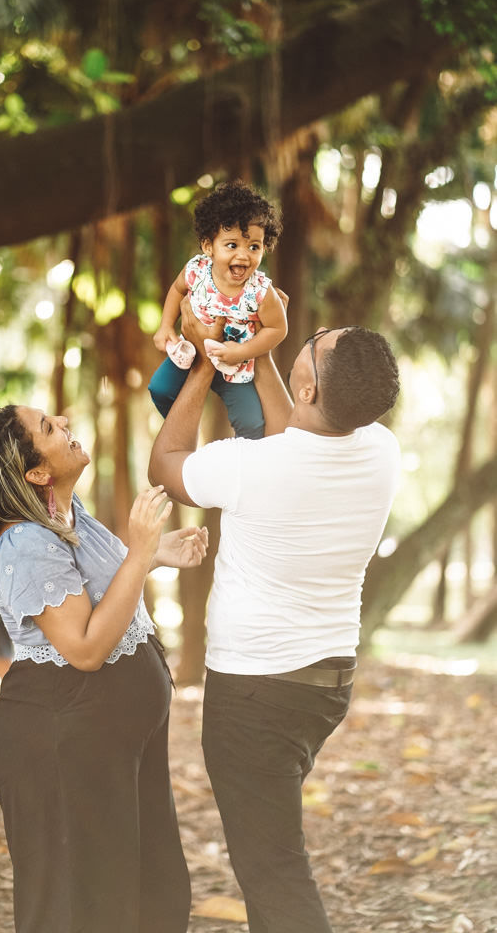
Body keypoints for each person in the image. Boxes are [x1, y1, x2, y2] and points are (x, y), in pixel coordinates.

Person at [148, 298, 401, 933]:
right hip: (325, 686)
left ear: (308, 382)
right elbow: (298, 435)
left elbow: (166, 466)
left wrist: (207, 364)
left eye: (311, 343)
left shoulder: (250, 468)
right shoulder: (380, 451)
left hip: (257, 698)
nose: (305, 338)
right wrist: (257, 353)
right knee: (271, 863)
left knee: (275, 872)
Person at [0, 403, 208, 933]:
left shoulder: (67, 515)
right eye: (49, 429)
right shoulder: (24, 542)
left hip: (114, 741)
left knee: (150, 887)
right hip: (63, 742)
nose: (65, 426)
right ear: (37, 472)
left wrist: (156, 553)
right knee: (87, 905)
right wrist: (140, 555)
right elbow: (86, 647)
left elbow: (101, 586)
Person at [149, 179, 287, 439]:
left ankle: (240, 466)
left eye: (254, 246)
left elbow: (278, 328)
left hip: (235, 367)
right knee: (159, 389)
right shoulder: (197, 270)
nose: (244, 255)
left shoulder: (260, 291)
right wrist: (165, 325)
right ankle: (187, 431)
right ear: (208, 246)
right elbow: (178, 289)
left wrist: (242, 352)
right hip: (193, 356)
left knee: (252, 423)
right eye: (232, 245)